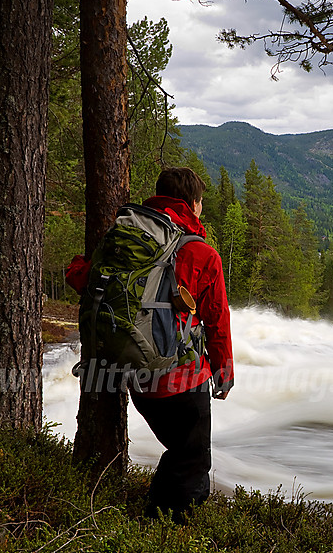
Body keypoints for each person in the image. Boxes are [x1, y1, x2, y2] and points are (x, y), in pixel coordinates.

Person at [66, 167, 234, 522]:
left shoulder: (126, 238)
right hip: (181, 381)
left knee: (179, 453)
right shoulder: (202, 254)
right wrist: (224, 373)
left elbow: (86, 278)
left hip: (134, 374)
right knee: (191, 460)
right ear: (193, 203)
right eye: (201, 202)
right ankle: (163, 529)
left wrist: (77, 265)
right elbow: (217, 320)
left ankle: (153, 520)